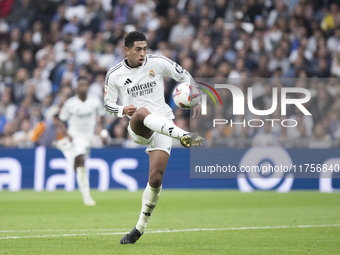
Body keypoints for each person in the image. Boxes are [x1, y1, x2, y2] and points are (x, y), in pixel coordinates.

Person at [104, 31, 203, 244]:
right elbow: (108, 104)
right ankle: (183, 135)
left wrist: (195, 95)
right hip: (139, 127)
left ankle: (138, 229)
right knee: (141, 112)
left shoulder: (158, 62)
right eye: (138, 49)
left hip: (163, 124)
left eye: (145, 48)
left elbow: (184, 75)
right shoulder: (115, 74)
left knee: (155, 179)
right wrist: (122, 109)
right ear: (127, 50)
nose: (143, 53)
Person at [54, 76, 105, 206]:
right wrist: (67, 135)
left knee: (77, 166)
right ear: (77, 87)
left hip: (89, 137)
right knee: (81, 161)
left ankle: (66, 149)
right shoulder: (70, 103)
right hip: (75, 136)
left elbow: (102, 115)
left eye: (85, 85)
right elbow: (60, 120)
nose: (83, 87)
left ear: (88, 86)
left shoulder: (95, 101)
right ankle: (86, 196)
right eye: (80, 85)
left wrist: (100, 127)